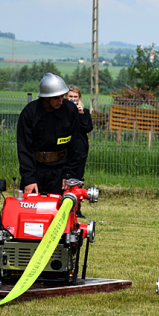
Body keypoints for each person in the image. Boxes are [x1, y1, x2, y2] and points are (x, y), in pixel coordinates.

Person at [16, 73, 83, 195]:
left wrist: (69, 175)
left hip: (61, 172)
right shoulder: (29, 113)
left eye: (62, 97)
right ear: (46, 98)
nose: (61, 102)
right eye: (57, 98)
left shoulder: (70, 111)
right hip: (36, 170)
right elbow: (24, 148)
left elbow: (76, 145)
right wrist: (29, 179)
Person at [66, 85, 94, 217]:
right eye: (70, 96)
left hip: (80, 151)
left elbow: (87, 128)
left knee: (78, 180)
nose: (72, 99)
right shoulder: (61, 112)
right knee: (64, 180)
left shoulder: (84, 112)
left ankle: (77, 210)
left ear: (79, 98)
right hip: (65, 150)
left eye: (75, 97)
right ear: (65, 97)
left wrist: (81, 114)